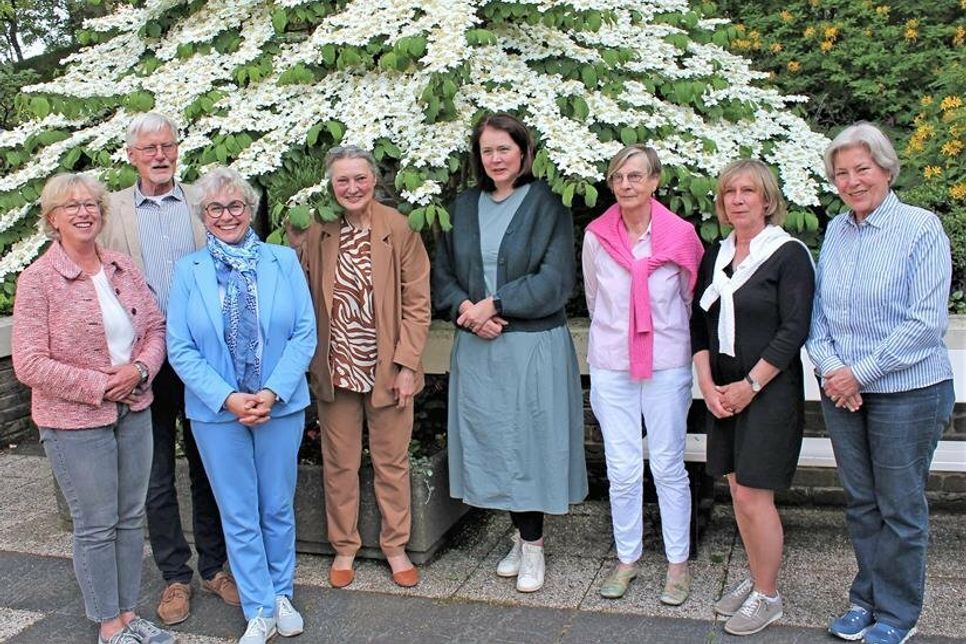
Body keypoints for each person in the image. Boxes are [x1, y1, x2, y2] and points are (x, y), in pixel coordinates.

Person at [807, 122, 954, 644]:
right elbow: (817, 316)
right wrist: (830, 369)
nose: (852, 181)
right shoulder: (836, 232)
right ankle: (864, 599)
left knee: (900, 506)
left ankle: (897, 614)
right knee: (863, 502)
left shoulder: (920, 228)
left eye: (862, 169)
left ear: (887, 169)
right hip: (843, 391)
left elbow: (924, 323)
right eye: (841, 173)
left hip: (907, 392)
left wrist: (856, 374)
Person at [13, 174, 173, 644]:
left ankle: (128, 614)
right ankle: (108, 626)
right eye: (71, 206)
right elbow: (28, 362)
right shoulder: (38, 280)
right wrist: (102, 385)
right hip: (75, 422)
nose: (84, 212)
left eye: (91, 204)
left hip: (135, 408)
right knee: (97, 524)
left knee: (129, 518)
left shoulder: (121, 267)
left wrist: (140, 371)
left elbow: (156, 330)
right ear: (52, 219)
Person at [433, 112, 588, 594]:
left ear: (523, 151)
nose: (496, 158)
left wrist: (495, 304)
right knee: (496, 444)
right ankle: (521, 538)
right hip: (479, 346)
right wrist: (467, 311)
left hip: (531, 345)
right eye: (487, 150)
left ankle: (535, 545)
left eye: (505, 148)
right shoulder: (461, 207)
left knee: (531, 444)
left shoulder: (548, 205)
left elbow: (555, 279)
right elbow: (441, 273)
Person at [166, 166, 316, 644]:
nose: (227, 215)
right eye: (216, 208)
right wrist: (229, 398)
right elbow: (180, 347)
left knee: (275, 505)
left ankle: (281, 595)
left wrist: (271, 391)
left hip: (279, 405)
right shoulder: (187, 271)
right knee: (238, 511)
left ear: (250, 211)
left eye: (236, 206)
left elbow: (303, 333)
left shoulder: (282, 262)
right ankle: (257, 607)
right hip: (217, 414)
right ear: (203, 216)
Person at [100, 112, 237, 625]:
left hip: (202, 358)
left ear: (178, 150)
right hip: (142, 361)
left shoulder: (204, 205)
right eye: (149, 148)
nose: (160, 155)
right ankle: (175, 576)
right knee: (155, 476)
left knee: (209, 465)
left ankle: (215, 567)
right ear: (132, 155)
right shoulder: (112, 213)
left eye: (167, 146)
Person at [295, 145, 430, 589]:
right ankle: (345, 547)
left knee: (391, 462)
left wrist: (408, 364)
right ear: (331, 185)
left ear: (374, 180)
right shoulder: (317, 229)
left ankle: (395, 546)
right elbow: (297, 286)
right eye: (342, 180)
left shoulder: (398, 229)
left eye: (360, 178)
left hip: (387, 369)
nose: (352, 188)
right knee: (340, 464)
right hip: (336, 367)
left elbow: (417, 302)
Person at [690, 159, 814, 635]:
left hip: (768, 390)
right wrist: (707, 385)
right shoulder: (716, 257)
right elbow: (698, 324)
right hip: (723, 388)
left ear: (767, 200)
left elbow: (793, 330)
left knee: (756, 495)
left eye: (748, 191)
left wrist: (751, 386)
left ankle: (768, 595)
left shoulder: (788, 255)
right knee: (739, 491)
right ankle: (759, 574)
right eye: (728, 193)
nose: (737, 199)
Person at [583, 145, 704, 604]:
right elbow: (596, 301)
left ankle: (677, 565)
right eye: (618, 177)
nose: (626, 185)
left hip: (666, 360)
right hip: (612, 361)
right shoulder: (596, 236)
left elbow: (690, 302)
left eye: (636, 176)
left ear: (655, 181)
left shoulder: (680, 236)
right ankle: (627, 558)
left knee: (670, 464)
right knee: (622, 466)